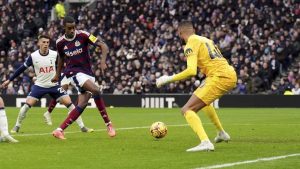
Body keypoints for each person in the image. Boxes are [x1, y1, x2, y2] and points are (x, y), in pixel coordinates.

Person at [156, 21, 237, 152]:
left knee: (187, 109)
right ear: (192, 30)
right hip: (228, 74)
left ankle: (205, 142)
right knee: (204, 102)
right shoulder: (205, 39)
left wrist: (168, 79)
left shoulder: (191, 43)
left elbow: (191, 71)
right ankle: (221, 133)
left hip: (219, 77)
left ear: (180, 33)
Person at [2, 35, 93, 133]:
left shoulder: (54, 54)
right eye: (43, 42)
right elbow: (21, 69)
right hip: (39, 86)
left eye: (47, 42)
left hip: (54, 85)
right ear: (39, 43)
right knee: (26, 107)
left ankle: (82, 127)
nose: (46, 44)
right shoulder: (33, 56)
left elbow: (64, 64)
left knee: (70, 104)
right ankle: (17, 126)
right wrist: (9, 80)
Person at [51, 16, 116, 139]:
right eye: (69, 28)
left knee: (82, 104)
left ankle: (59, 130)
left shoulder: (84, 35)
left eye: (74, 27)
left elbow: (103, 45)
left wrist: (103, 61)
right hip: (74, 73)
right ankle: (109, 125)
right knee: (96, 90)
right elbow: (61, 58)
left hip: (87, 73)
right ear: (64, 27)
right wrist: (57, 74)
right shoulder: (60, 42)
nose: (72, 30)